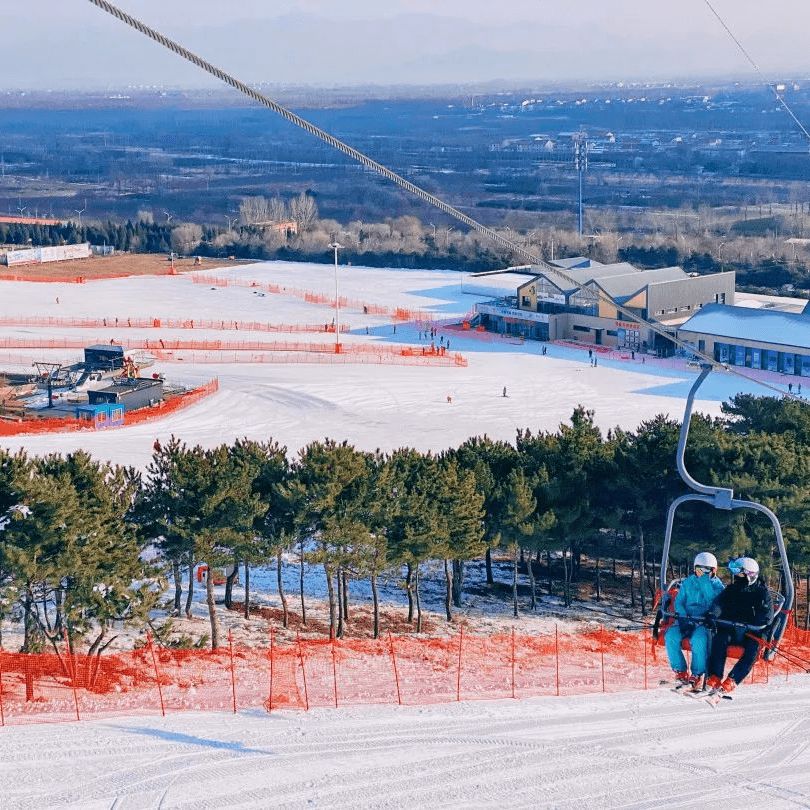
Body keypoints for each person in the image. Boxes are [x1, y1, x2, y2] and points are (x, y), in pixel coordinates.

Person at [705, 557, 771, 695]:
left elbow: (766, 615)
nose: (736, 577)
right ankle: (715, 677)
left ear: (750, 575)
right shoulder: (732, 590)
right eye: (736, 575)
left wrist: (751, 625)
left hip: (752, 632)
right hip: (732, 628)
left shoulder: (761, 593)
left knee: (752, 650)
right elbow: (719, 603)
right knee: (719, 640)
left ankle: (732, 680)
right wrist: (713, 614)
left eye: (740, 575)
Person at [665, 551, 724, 689]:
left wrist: (705, 583)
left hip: (703, 623)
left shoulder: (718, 587)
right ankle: (680, 672)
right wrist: (683, 617)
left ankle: (697, 674)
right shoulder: (687, 583)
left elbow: (714, 604)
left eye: (706, 570)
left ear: (714, 570)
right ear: (694, 569)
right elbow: (679, 602)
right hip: (685, 619)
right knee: (671, 636)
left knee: (699, 640)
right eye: (699, 570)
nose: (702, 573)